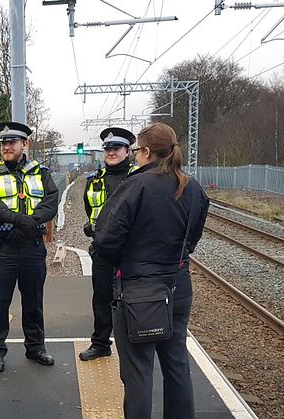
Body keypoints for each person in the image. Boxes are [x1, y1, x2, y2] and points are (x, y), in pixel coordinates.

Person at [93, 122, 209, 419]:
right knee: (177, 365)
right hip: (178, 286)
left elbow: (107, 239)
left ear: (145, 151)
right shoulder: (192, 187)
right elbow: (192, 238)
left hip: (139, 293)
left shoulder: (136, 185)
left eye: (135, 151)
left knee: (138, 372)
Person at [0, 121, 59, 372]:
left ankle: (36, 347)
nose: (6, 147)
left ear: (25, 144)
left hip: (32, 248)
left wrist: (29, 223)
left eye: (11, 142)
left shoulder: (41, 173)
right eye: (3, 143)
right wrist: (19, 221)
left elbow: (50, 202)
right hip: (3, 248)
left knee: (33, 301)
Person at [79, 127, 137, 362]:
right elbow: (89, 208)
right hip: (102, 252)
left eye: (116, 148)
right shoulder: (95, 180)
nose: (111, 152)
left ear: (127, 151)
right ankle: (101, 343)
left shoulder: (138, 177)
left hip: (131, 252)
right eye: (108, 149)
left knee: (132, 299)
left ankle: (134, 343)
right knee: (101, 298)